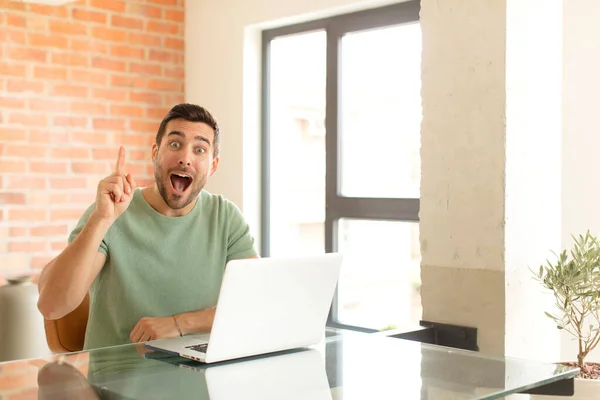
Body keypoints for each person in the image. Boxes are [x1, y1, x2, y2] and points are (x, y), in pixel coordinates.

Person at [37, 103, 259, 350]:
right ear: (155, 152)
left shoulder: (225, 217)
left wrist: (178, 323)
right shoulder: (113, 211)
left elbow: (255, 303)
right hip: (117, 379)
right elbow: (51, 305)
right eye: (175, 144)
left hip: (198, 378)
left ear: (213, 165)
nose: (186, 158)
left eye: (199, 149)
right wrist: (101, 220)